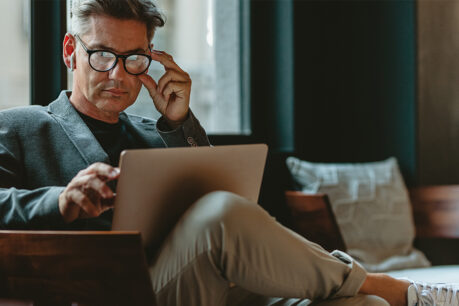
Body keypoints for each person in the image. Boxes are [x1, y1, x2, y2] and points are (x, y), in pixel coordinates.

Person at [0, 0, 456, 305]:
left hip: (206, 286)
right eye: (101, 55)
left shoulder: (155, 134)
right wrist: (58, 200)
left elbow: (233, 215)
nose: (118, 74)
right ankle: (394, 286)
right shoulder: (20, 126)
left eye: (133, 58)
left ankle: (375, 291)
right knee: (220, 214)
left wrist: (179, 122)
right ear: (69, 52)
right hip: (113, 292)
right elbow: (222, 219)